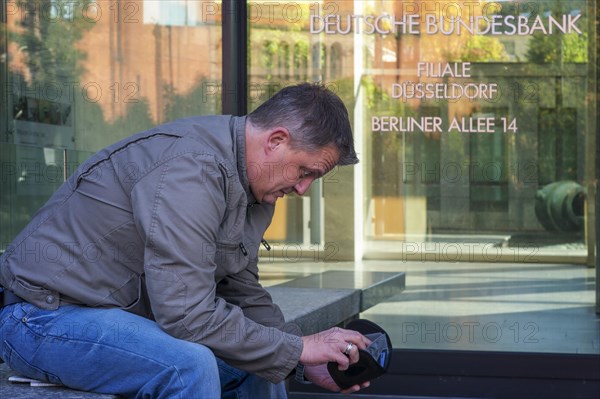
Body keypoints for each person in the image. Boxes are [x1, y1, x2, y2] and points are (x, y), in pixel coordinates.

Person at [0, 83, 371, 398]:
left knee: (262, 362)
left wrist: (299, 361)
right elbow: (186, 313)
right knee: (189, 366)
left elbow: (240, 291)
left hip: (115, 318)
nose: (303, 188)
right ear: (276, 140)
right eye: (305, 171)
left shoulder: (255, 187)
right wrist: (297, 348)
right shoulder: (190, 168)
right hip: (42, 318)